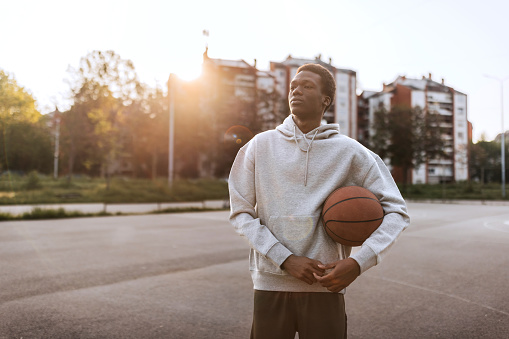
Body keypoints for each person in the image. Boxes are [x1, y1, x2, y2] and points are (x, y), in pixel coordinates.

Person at [228, 63, 410, 339]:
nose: (296, 91)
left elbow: (397, 212)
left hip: (326, 285)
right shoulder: (259, 146)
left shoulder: (351, 152)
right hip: (270, 283)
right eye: (293, 87)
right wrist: (285, 258)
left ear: (326, 100)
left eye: (307, 86)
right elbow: (240, 213)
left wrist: (359, 262)